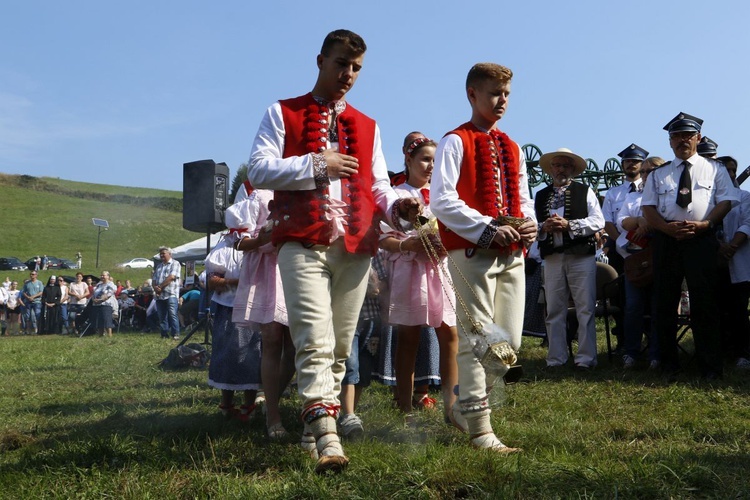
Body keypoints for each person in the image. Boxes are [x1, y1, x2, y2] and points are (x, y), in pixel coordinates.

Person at [247, 29, 421, 473]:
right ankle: (327, 434)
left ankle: (311, 427)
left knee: (342, 344)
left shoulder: (369, 125)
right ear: (320, 60)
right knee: (312, 337)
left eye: (357, 68)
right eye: (341, 63)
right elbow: (259, 169)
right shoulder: (281, 111)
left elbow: (378, 184)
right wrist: (318, 164)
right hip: (302, 239)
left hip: (356, 243)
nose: (348, 74)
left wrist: (399, 205)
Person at [431, 63, 537, 453]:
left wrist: (529, 224)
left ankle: (465, 408)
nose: (502, 101)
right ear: (472, 94)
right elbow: (441, 199)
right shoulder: (455, 141)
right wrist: (487, 228)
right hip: (472, 250)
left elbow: (524, 197)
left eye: (506, 94)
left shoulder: (513, 146)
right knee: (477, 339)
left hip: (511, 255)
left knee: (507, 343)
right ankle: (480, 428)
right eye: (494, 93)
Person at [641, 112, 737, 380]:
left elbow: (726, 201)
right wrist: (665, 228)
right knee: (665, 303)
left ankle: (710, 367)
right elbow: (647, 207)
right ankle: (669, 364)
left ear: (698, 138)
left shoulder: (715, 169)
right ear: (670, 142)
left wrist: (706, 225)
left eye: (687, 135)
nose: (682, 140)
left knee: (705, 303)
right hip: (666, 240)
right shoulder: (658, 174)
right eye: (676, 136)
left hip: (701, 240)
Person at [379, 135, 458, 423]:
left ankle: (453, 406)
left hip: (439, 271)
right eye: (425, 159)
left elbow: (450, 231)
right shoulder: (396, 196)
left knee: (450, 334)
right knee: (408, 337)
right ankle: (404, 405)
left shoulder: (442, 197)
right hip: (410, 272)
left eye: (436, 162)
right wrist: (406, 245)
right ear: (408, 160)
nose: (430, 166)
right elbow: (384, 240)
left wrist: (444, 242)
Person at [232, 191, 295, 439]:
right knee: (271, 340)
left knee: (293, 347)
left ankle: (270, 403)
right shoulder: (259, 196)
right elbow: (238, 242)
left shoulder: (301, 187)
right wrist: (262, 239)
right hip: (267, 272)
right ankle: (273, 417)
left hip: (295, 268)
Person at [535, 148, 605, 370]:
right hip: (553, 258)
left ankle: (585, 358)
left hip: (580, 256)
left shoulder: (585, 192)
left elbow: (598, 221)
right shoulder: (540, 195)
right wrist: (543, 227)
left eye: (565, 166)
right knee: (554, 309)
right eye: (557, 165)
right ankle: (556, 358)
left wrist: (571, 225)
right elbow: (529, 225)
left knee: (585, 307)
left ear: (573, 169)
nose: (561, 169)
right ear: (551, 169)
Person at [205, 201, 262, 423]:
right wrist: (235, 281)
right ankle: (226, 405)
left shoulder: (257, 244)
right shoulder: (224, 247)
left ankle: (249, 405)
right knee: (228, 355)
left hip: (254, 308)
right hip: (228, 308)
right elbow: (212, 280)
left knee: (253, 355)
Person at [616, 156, 666, 369]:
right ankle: (632, 353)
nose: (646, 175)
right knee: (633, 307)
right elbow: (621, 222)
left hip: (661, 259)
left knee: (659, 307)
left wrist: (651, 223)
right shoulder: (633, 198)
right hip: (636, 261)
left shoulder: (668, 197)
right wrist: (639, 220)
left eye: (652, 170)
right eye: (644, 171)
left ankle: (657, 354)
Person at [715, 156, 750, 368]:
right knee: (717, 309)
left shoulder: (744, 197)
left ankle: (743, 353)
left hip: (738, 259)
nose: (730, 174)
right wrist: (719, 247)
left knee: (739, 309)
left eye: (733, 170)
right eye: (725, 170)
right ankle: (721, 349)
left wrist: (731, 247)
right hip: (714, 260)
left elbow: (747, 223)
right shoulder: (709, 198)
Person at [601, 144, 649, 274]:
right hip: (619, 248)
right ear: (622, 165)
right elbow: (607, 221)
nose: (631, 164)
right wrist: (622, 243)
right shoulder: (612, 193)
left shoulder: (650, 190)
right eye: (627, 161)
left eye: (635, 161)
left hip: (647, 245)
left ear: (643, 165)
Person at [152, 247, 182, 340]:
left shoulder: (175, 263)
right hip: (160, 295)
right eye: (160, 254)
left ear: (170, 254)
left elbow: (172, 277)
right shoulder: (159, 266)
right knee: (162, 316)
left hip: (171, 294)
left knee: (172, 314)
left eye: (163, 253)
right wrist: (156, 288)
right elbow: (154, 280)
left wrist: (160, 287)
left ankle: (175, 334)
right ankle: (164, 334)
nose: (161, 255)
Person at [91, 271, 117, 337]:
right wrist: (93, 299)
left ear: (108, 276)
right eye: (101, 275)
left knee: (107, 321)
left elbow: (109, 294)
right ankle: (100, 336)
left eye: (104, 275)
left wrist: (101, 300)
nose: (102, 277)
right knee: (99, 322)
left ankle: (109, 336)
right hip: (97, 305)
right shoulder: (99, 285)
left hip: (106, 305)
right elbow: (93, 293)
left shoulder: (111, 285)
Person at [21, 270, 44, 335]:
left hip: (37, 302)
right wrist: (28, 297)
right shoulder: (27, 283)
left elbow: (41, 292)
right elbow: (24, 292)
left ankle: (37, 330)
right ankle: (28, 330)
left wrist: (33, 297)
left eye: (33, 274)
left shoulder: (39, 283)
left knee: (37, 315)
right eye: (31, 274)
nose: (32, 275)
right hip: (28, 302)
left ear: (36, 275)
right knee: (27, 316)